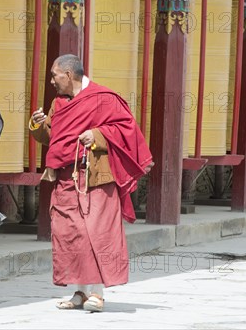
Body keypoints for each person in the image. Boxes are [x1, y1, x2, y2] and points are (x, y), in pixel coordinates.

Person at [29, 54, 153, 312]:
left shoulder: (103, 98)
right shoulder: (59, 102)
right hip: (65, 177)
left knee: (96, 233)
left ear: (70, 75)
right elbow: (53, 137)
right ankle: (80, 292)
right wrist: (37, 125)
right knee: (70, 235)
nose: (52, 80)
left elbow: (127, 129)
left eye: (55, 75)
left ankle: (97, 293)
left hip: (96, 177)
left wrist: (97, 135)